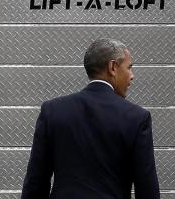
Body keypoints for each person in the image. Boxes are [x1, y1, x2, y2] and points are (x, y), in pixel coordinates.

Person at [21, 38, 160, 199]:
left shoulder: (53, 111)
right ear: (113, 67)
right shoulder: (136, 117)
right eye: (129, 68)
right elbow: (147, 189)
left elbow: (36, 181)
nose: (132, 76)